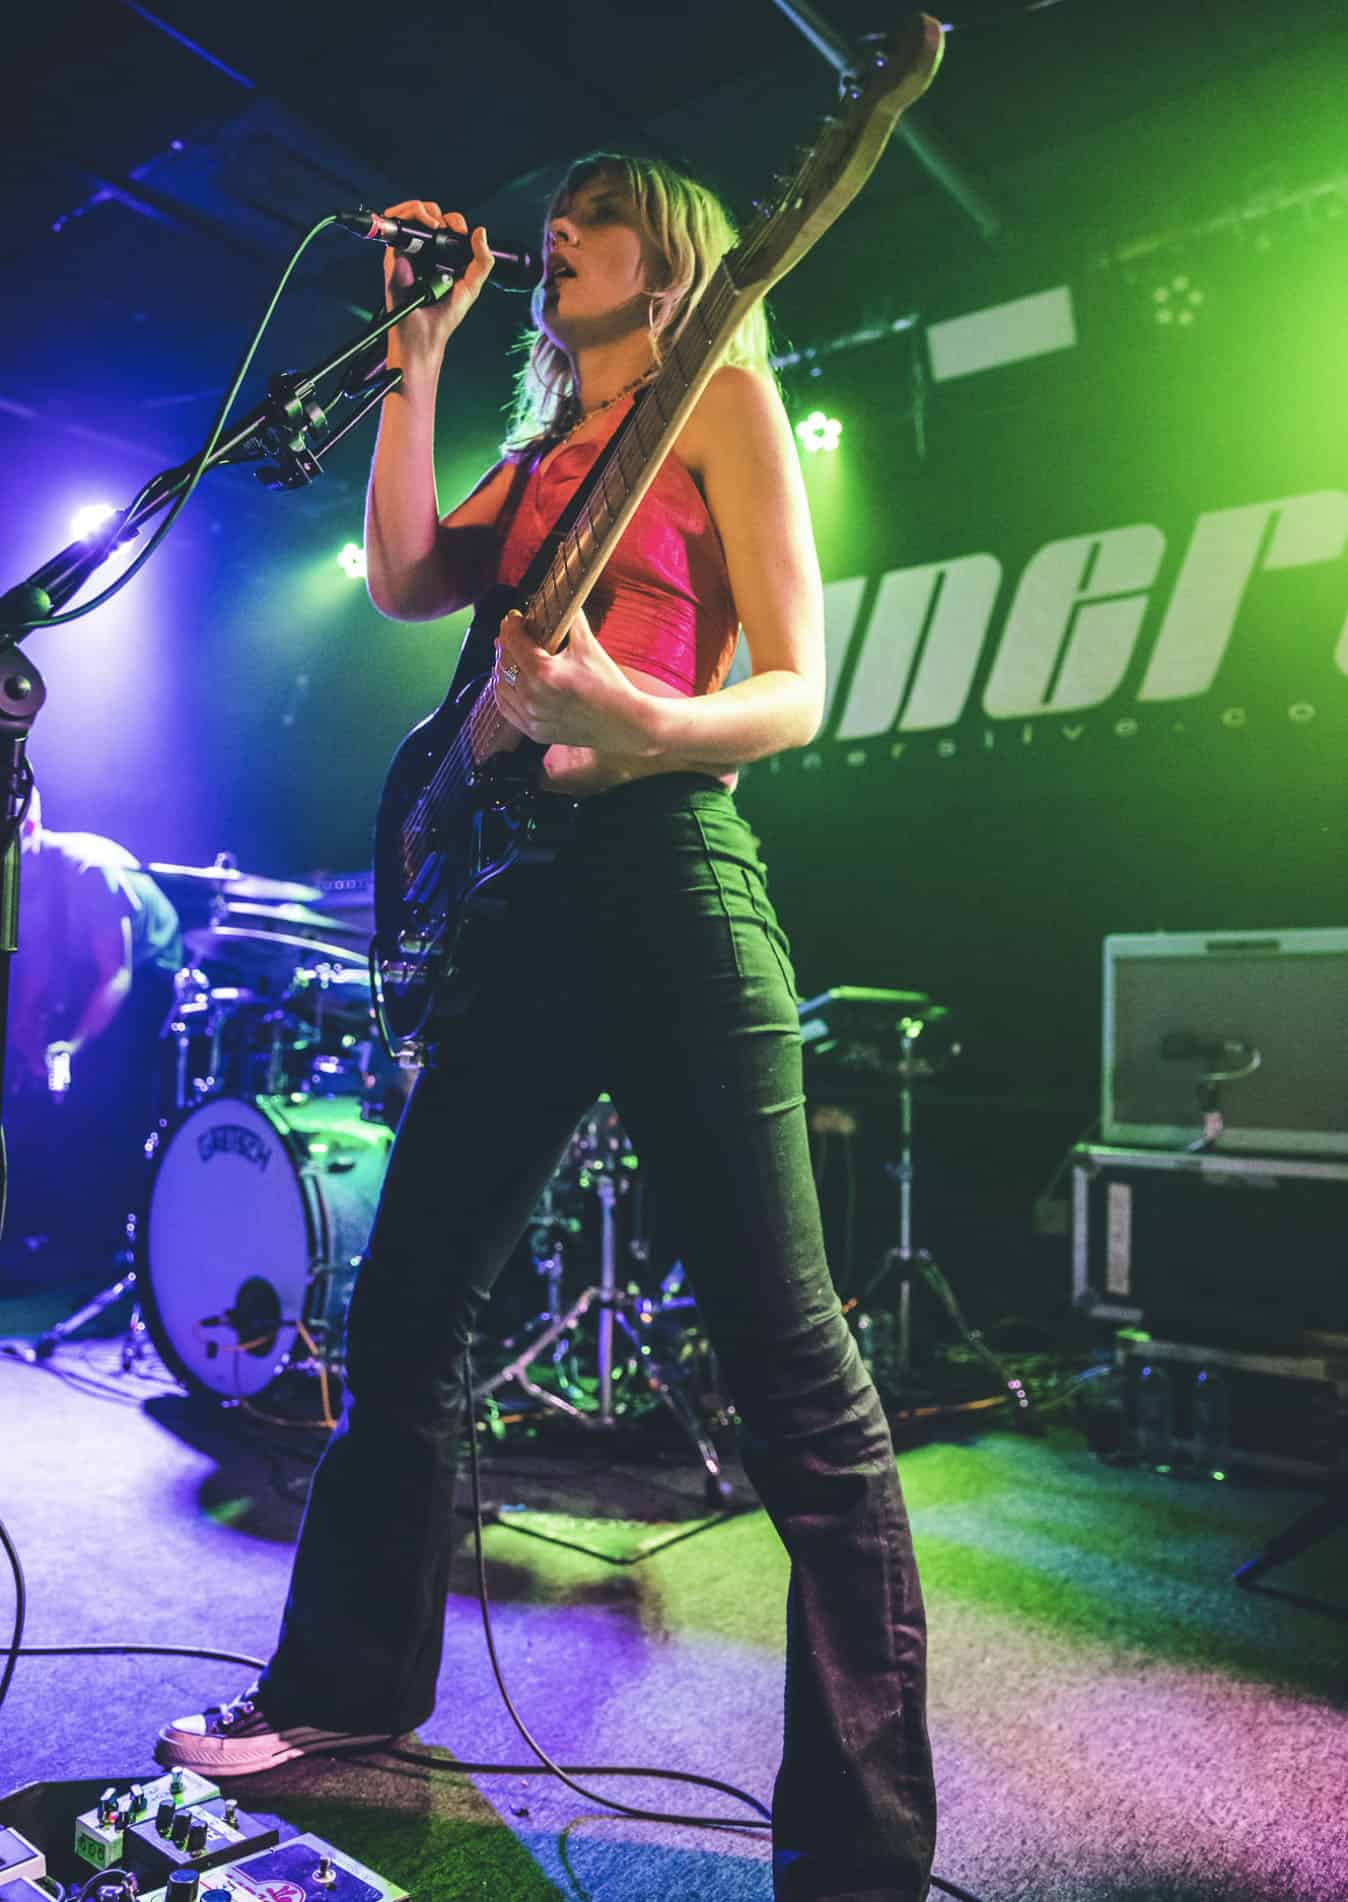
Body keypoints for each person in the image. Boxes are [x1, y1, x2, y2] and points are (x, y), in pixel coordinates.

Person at [156, 156, 936, 1902]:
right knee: (408, 1309)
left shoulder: (718, 401)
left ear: (670, 261)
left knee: (796, 1377)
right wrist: (417, 352)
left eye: (595, 212)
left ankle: (864, 1857)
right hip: (522, 914)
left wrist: (628, 712)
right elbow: (401, 577)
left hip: (671, 885)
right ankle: (345, 1691)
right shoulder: (540, 455)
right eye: (557, 214)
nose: (553, 230)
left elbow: (797, 689)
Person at [6, 782, 181, 1265]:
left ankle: (102, 1235)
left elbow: (117, 974)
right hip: (91, 973)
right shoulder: (21, 883)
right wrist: (26, 1035)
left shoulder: (88, 868)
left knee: (105, 1081)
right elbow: (37, 969)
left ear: (28, 826)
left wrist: (74, 1046)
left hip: (148, 970)